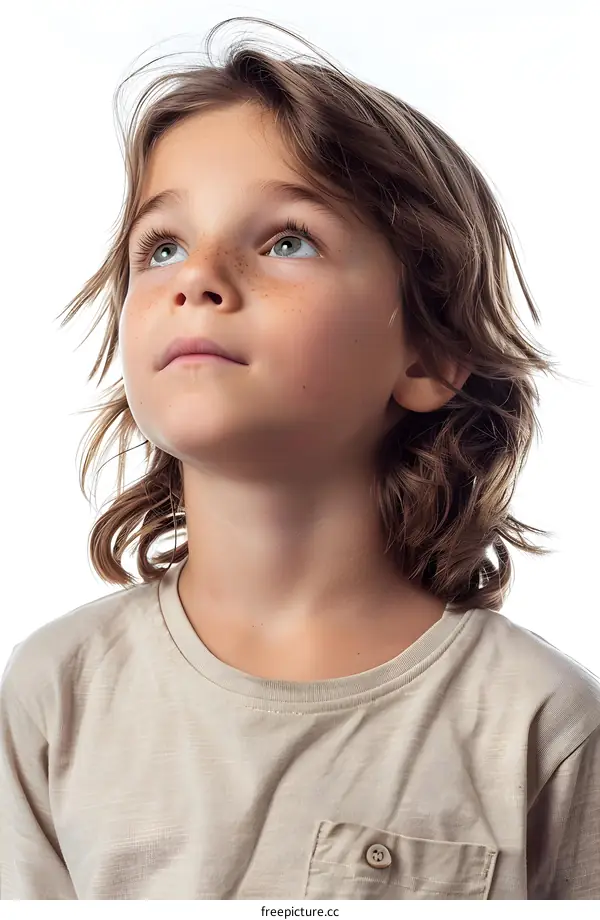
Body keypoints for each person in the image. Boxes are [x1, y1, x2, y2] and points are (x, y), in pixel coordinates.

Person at [1, 15, 599, 901]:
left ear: (428, 357)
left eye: (287, 239)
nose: (193, 277)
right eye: (161, 246)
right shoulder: (53, 695)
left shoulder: (539, 725)